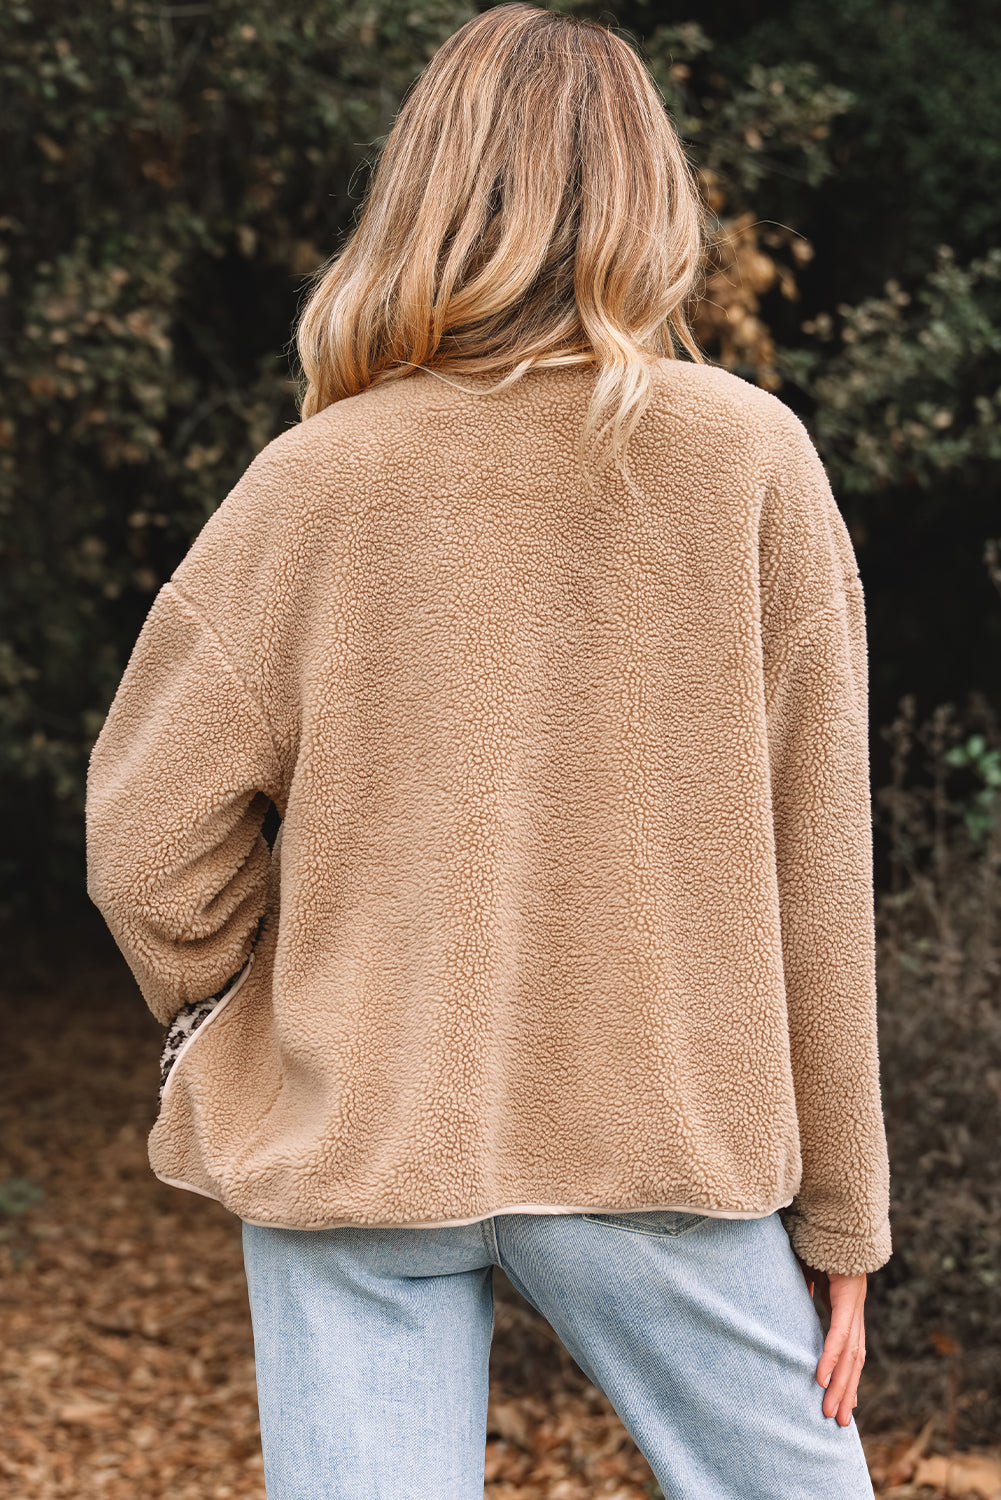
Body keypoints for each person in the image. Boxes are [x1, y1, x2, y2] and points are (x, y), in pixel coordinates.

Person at [85, 5, 892, 1497]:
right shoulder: (751, 460)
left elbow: (145, 842)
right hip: (657, 1132)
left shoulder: (314, 479)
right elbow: (816, 866)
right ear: (655, 197)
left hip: (362, 1136)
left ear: (426, 192)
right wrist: (844, 1222)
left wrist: (239, 1006)